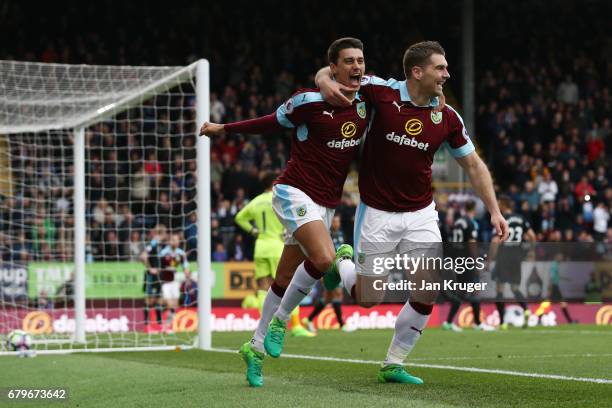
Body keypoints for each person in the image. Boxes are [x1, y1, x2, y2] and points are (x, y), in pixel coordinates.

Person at [270, 40, 508, 385]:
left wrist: (495, 211)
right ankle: (341, 263)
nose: (446, 74)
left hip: (421, 213)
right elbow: (334, 75)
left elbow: (473, 165)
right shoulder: (381, 92)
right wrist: (324, 81)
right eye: (440, 68)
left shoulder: (448, 117)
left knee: (427, 288)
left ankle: (393, 362)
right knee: (369, 299)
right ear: (417, 71)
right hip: (377, 213)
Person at [200, 37, 371, 387]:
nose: (356, 67)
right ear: (333, 67)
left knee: (282, 279)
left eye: (361, 61)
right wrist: (224, 129)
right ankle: (338, 259)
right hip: (293, 191)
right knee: (324, 258)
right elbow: (268, 122)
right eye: (348, 61)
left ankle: (256, 345)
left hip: (325, 203)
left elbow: (404, 89)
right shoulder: (308, 102)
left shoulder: (368, 97)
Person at [234, 172, 314, 337]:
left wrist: (254, 230)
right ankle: (297, 326)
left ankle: (265, 324)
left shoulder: (255, 201)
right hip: (278, 247)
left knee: (263, 288)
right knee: (290, 285)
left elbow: (239, 217)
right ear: (274, 183)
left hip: (261, 247)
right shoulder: (279, 198)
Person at [442, 200, 495, 332]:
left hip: (456, 259)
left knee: (465, 290)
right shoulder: (470, 223)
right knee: (472, 290)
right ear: (475, 209)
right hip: (466, 260)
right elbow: (471, 243)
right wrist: (476, 261)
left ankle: (455, 322)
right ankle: (474, 323)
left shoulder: (458, 222)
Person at [489, 196, 535, 329]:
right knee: (515, 288)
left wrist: (489, 260)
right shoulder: (521, 219)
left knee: (500, 289)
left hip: (504, 257)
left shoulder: (502, 220)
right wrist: (531, 251)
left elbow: (495, 241)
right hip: (517, 257)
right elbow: (532, 236)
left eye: (499, 205)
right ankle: (526, 309)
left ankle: (502, 322)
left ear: (503, 205)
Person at [302, 215, 354, 332]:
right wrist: (322, 272)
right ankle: (342, 324)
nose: (337, 224)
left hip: (338, 267)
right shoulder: (327, 235)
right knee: (338, 294)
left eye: (338, 221)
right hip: (330, 268)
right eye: (335, 221)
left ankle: (309, 319)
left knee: (327, 298)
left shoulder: (341, 234)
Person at [159, 232, 190, 334]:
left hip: (175, 282)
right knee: (168, 304)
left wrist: (187, 275)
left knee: (174, 305)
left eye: (176, 240)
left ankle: (167, 327)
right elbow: (158, 265)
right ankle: (158, 319)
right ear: (169, 241)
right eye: (173, 240)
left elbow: (185, 267)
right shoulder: (163, 253)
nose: (175, 242)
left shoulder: (181, 253)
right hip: (165, 282)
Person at [140, 224, 167, 333]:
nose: (166, 235)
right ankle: (147, 326)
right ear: (161, 233)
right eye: (165, 232)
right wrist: (150, 268)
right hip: (151, 276)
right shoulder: (153, 243)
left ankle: (159, 325)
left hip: (159, 276)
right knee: (149, 300)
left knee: (159, 300)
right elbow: (143, 256)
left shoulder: (162, 245)